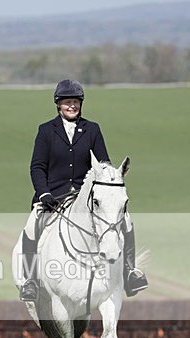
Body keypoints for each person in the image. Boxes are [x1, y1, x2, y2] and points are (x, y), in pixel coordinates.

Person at [19, 79, 148, 302]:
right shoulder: (46, 131)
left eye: (76, 102)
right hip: (54, 196)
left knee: (125, 220)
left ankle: (130, 272)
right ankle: (30, 280)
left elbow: (104, 164)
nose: (72, 106)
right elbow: (37, 167)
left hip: (86, 197)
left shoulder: (92, 129)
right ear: (58, 105)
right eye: (67, 102)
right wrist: (44, 193)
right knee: (32, 225)